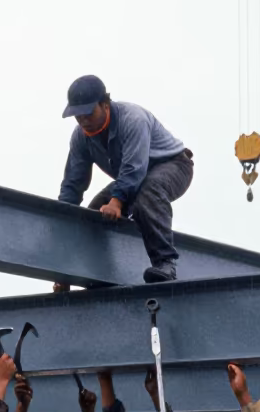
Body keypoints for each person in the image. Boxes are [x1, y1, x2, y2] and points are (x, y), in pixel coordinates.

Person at [55, 74, 194, 287]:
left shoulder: (133, 119)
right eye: (78, 116)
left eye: (88, 114)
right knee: (94, 213)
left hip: (174, 165)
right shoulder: (81, 137)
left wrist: (117, 201)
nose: (83, 121)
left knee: (148, 194)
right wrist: (60, 223)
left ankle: (165, 264)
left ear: (105, 105)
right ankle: (98, 273)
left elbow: (134, 168)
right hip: (134, 177)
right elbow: (73, 184)